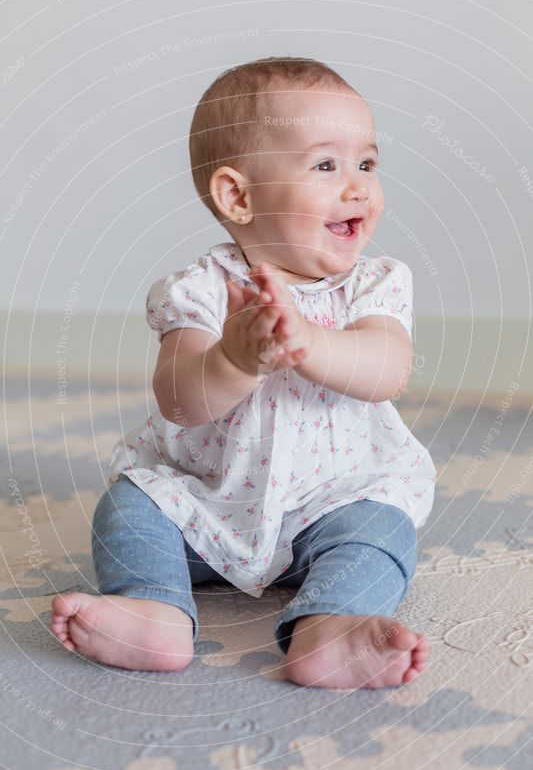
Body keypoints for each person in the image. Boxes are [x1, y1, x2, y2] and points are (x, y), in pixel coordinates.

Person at [50, 56, 436, 689]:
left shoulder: (375, 284)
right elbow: (179, 400)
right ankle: (154, 605)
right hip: (207, 499)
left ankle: (332, 626)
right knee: (132, 505)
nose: (359, 186)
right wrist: (234, 358)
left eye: (367, 163)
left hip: (333, 499)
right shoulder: (199, 291)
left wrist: (308, 340)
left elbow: (386, 369)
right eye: (325, 165)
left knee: (382, 527)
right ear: (238, 194)